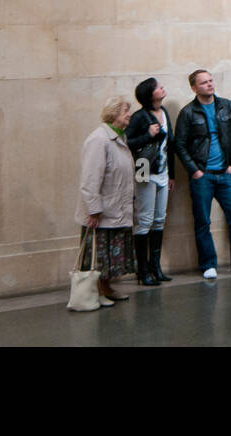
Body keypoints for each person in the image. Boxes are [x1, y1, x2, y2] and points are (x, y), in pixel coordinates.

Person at [173, 69, 231, 278]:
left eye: (211, 80)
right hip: (202, 175)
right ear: (194, 88)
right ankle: (208, 265)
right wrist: (194, 171)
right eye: (204, 82)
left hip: (225, 174)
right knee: (203, 221)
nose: (210, 84)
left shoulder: (226, 106)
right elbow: (179, 144)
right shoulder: (188, 112)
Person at [75, 96, 137, 302]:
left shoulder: (119, 138)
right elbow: (91, 179)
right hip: (102, 212)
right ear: (114, 114)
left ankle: (106, 288)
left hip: (116, 207)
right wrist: (93, 209)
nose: (129, 115)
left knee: (110, 255)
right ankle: (96, 291)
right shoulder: (99, 139)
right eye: (125, 111)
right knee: (99, 255)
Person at [126, 77, 174, 286]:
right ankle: (142, 270)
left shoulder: (164, 113)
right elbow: (127, 143)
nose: (162, 88)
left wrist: (172, 175)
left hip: (163, 172)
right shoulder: (139, 117)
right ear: (149, 94)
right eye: (158, 87)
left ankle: (156, 268)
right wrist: (147, 134)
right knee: (144, 220)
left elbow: (169, 145)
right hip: (145, 170)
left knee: (159, 219)